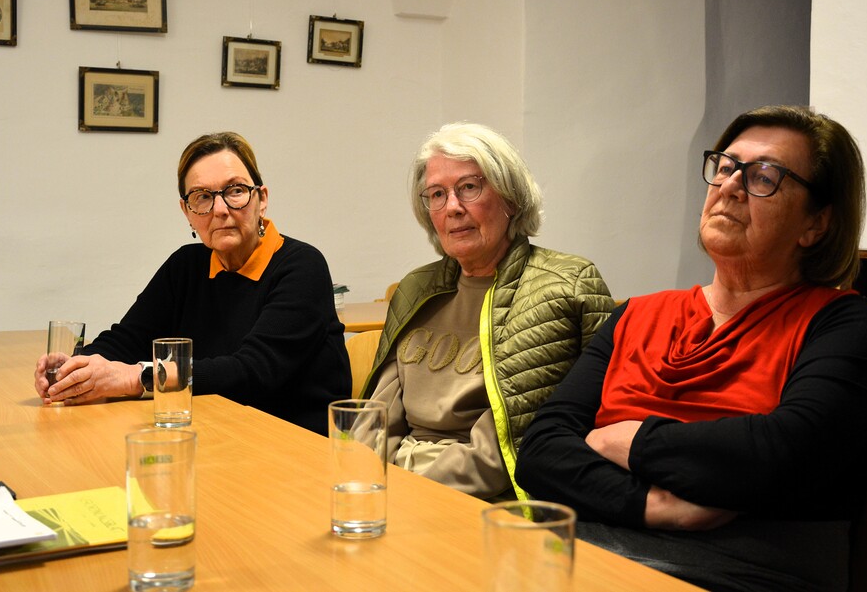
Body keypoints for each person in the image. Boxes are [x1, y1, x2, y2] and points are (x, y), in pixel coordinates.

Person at [515, 105, 867, 592]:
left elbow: (780, 455)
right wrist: (655, 506)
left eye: (764, 176)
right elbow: (541, 452)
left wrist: (623, 440)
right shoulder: (636, 314)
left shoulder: (844, 324)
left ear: (815, 224)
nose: (730, 185)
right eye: (726, 166)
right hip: (579, 559)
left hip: (737, 576)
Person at [361, 122, 615, 500]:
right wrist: (364, 477)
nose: (452, 207)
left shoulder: (563, 287)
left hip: (490, 501)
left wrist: (403, 486)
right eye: (437, 194)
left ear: (510, 198)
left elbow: (502, 455)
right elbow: (376, 420)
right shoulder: (416, 289)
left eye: (469, 187)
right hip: (391, 486)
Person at [34, 132, 351, 435]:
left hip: (294, 445)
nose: (221, 210)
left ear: (262, 199)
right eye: (202, 197)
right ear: (187, 211)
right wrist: (79, 369)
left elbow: (253, 372)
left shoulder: (302, 266)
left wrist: (137, 377)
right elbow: (128, 340)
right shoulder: (185, 266)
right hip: (215, 433)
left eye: (235, 191)